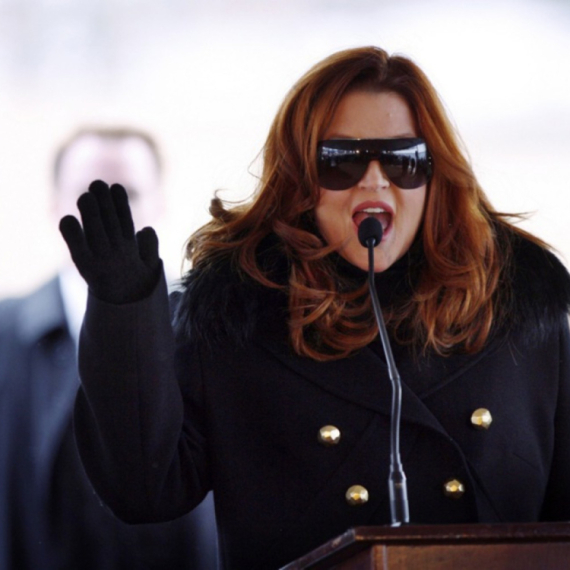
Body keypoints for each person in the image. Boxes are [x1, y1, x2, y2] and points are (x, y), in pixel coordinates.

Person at [59, 47, 570, 570]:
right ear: (300, 178)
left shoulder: (524, 316)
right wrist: (123, 310)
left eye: (403, 160)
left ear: (433, 175)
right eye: (342, 161)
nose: (375, 180)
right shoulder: (234, 324)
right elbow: (145, 490)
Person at [0, 126, 217, 570]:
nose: (109, 214)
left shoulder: (205, 327)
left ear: (159, 204)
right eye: (88, 197)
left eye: (127, 195)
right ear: (55, 205)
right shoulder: (6, 335)